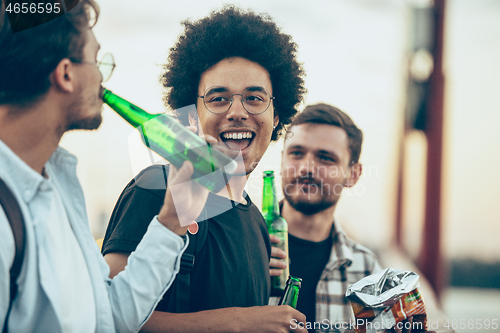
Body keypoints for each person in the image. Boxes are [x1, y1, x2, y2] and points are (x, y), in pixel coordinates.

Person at [101, 5, 308, 333]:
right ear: (192, 117)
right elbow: (105, 318)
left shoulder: (257, 225)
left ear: (277, 115)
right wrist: (242, 322)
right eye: (218, 98)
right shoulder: (156, 188)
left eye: (254, 98)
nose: (237, 111)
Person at [0, 1, 201, 331]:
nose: (103, 80)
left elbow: (108, 317)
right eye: (97, 61)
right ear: (66, 74)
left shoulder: (57, 184)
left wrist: (171, 221)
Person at [270, 103, 382, 331]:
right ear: (282, 161)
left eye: (325, 158)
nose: (306, 168)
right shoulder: (242, 245)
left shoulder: (366, 270)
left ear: (353, 174)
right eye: (296, 153)